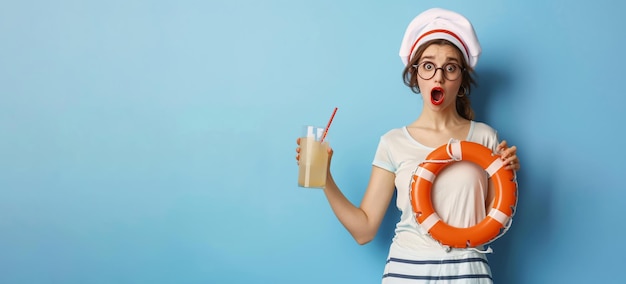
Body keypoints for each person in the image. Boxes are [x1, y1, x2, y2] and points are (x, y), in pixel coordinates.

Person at [295, 7, 520, 283]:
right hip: (406, 273)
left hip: (468, 273)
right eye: (428, 66)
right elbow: (364, 230)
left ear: (461, 79)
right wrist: (324, 178)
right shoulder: (393, 143)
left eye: (450, 67)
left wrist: (506, 174)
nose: (438, 77)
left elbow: (493, 220)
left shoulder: (485, 138)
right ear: (415, 76)